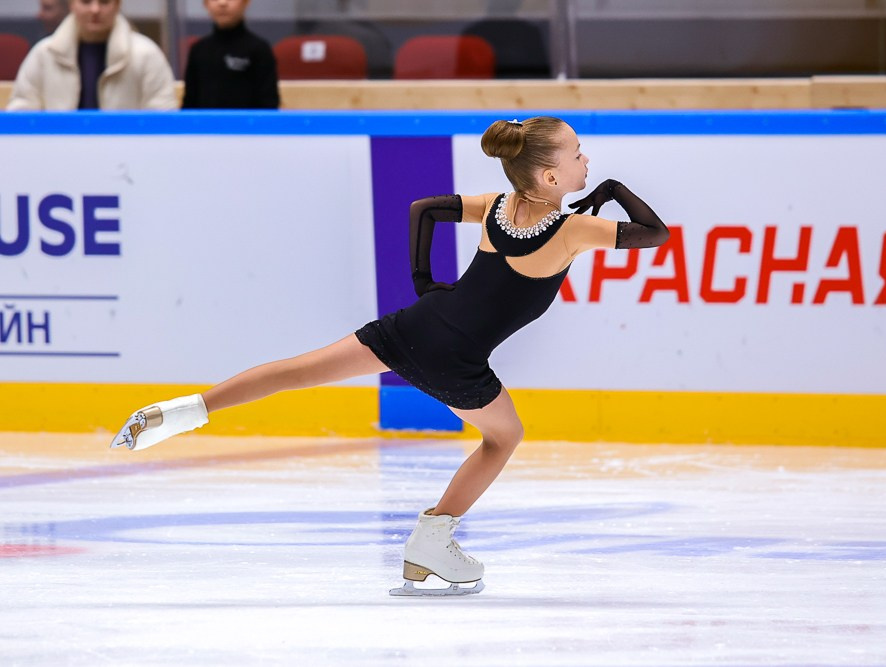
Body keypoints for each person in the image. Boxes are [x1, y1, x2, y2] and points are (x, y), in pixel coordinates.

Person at [109, 116, 669, 596]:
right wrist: (613, 187)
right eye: (577, 155)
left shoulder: (498, 207)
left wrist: (424, 282)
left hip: (411, 328)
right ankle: (431, 539)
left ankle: (182, 412)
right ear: (550, 175)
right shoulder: (574, 229)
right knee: (503, 437)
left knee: (295, 371)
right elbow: (655, 234)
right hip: (457, 361)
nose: (585, 159)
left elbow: (424, 208)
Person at [7, 0, 177, 111]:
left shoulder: (147, 55)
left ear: (118, 5)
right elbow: (22, 115)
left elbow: (164, 118)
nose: (95, 9)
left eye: (104, 2)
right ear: (72, 4)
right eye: (86, 1)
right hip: (59, 156)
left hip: (128, 160)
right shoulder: (44, 55)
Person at [182, 0, 279, 109]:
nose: (222, 3)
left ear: (246, 2)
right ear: (205, 3)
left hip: (248, 124)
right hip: (205, 125)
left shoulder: (260, 50)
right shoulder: (198, 50)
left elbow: (269, 105)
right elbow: (189, 104)